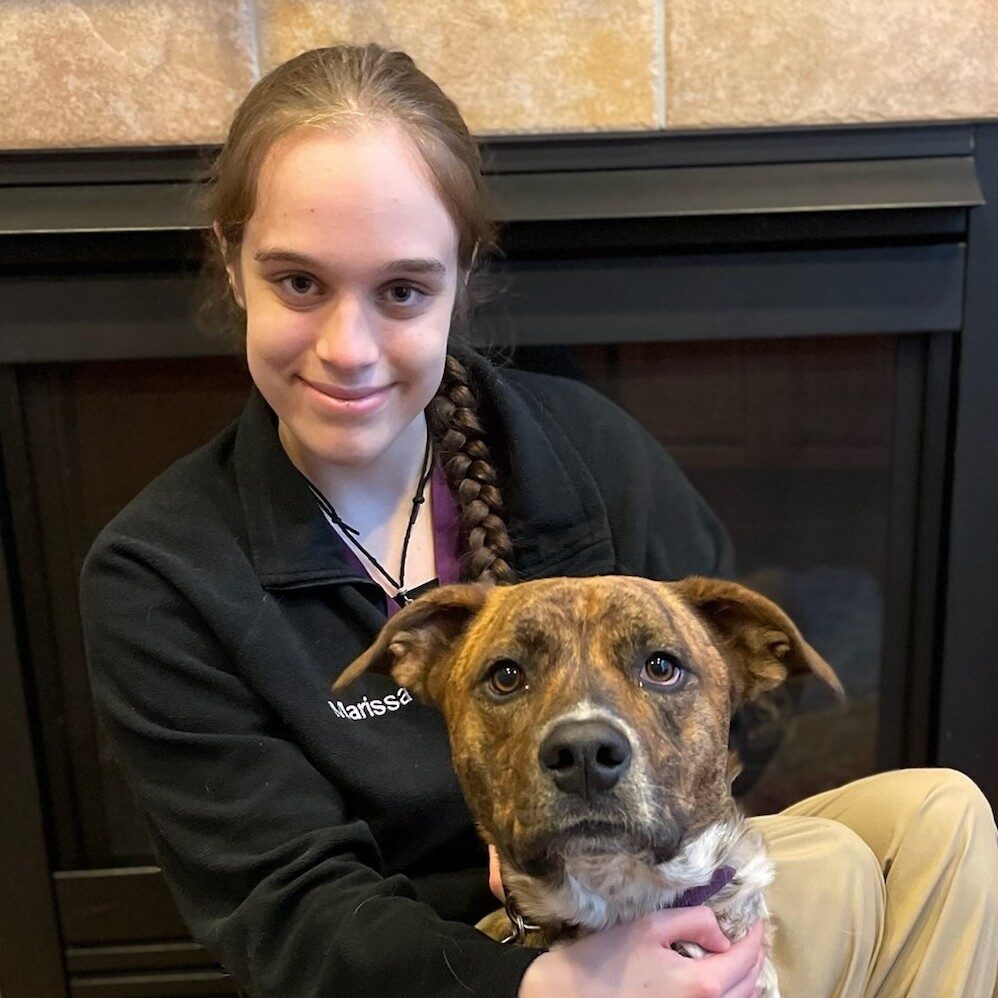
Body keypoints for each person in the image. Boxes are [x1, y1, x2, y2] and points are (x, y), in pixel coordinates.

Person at [79, 43, 998, 998]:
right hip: (440, 963)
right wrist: (557, 980)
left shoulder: (584, 451)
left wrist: (623, 843)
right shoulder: (162, 573)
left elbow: (729, 703)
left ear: (458, 279)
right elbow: (285, 911)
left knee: (937, 813)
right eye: (300, 282)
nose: (347, 350)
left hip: (643, 879)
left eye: (402, 290)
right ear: (233, 264)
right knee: (839, 875)